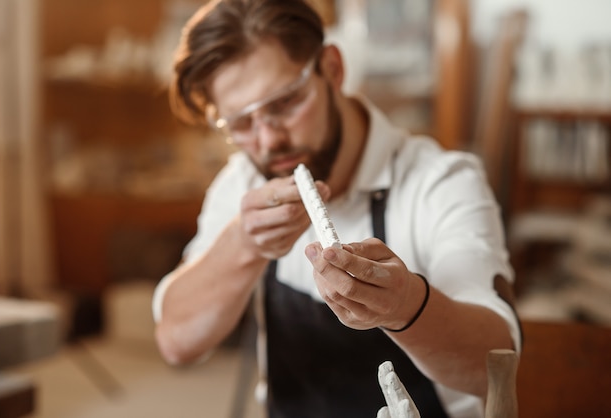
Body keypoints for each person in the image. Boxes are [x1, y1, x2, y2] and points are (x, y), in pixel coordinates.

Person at [152, 0, 521, 417]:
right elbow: (176, 342)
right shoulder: (244, 182)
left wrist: (406, 306)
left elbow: (495, 364)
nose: (268, 139)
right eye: (240, 123)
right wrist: (243, 244)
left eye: (285, 102)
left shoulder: (441, 181)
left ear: (332, 68)